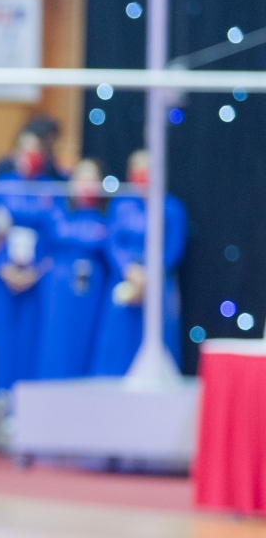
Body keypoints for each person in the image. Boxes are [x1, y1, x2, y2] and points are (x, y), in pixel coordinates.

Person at [89, 150, 187, 375]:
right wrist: (128, 269)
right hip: (124, 280)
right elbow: (112, 242)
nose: (141, 174)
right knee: (117, 339)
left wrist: (149, 275)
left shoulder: (172, 208)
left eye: (147, 169)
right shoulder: (119, 206)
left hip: (157, 284)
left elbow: (173, 249)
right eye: (137, 169)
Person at [0, 130, 57, 397]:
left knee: (34, 336)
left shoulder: (52, 189)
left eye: (35, 150)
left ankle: (30, 397)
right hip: (3, 274)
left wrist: (37, 271)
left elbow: (55, 235)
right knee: (1, 335)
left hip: (37, 278)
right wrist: (2, 267)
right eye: (25, 149)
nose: (29, 156)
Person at [32, 159, 108, 378]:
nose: (87, 184)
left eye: (92, 178)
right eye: (82, 177)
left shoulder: (107, 217)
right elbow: (44, 246)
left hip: (92, 284)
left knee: (87, 335)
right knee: (56, 335)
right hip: (58, 282)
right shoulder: (57, 211)